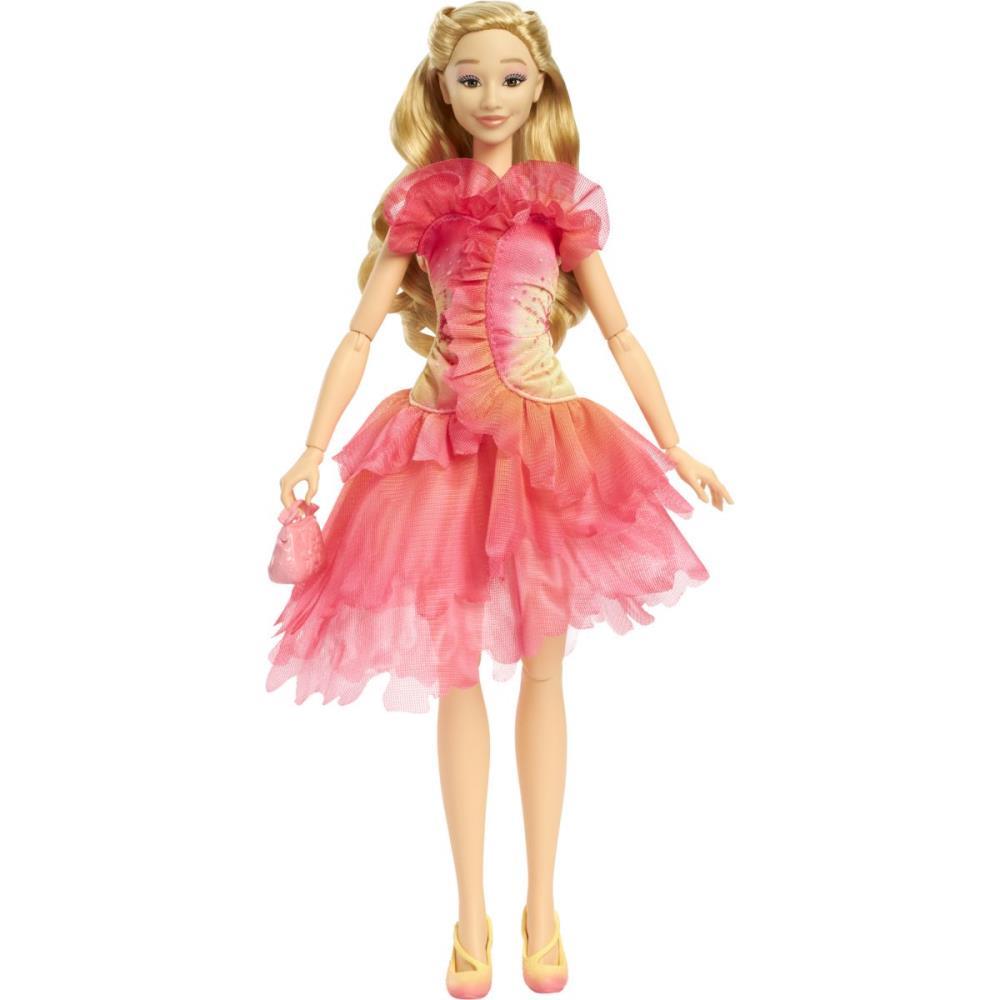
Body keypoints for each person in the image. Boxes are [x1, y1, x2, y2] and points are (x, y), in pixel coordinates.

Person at [267, 4, 734, 995]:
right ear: (441, 87)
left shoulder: (556, 202)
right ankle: (471, 915)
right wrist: (311, 445)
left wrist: (673, 442)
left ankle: (544, 905)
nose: (491, 95)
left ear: (540, 85)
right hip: (440, 453)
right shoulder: (423, 201)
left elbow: (621, 334)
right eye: (470, 77)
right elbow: (358, 333)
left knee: (546, 675)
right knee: (455, 672)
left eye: (511, 77)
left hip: (546, 449)